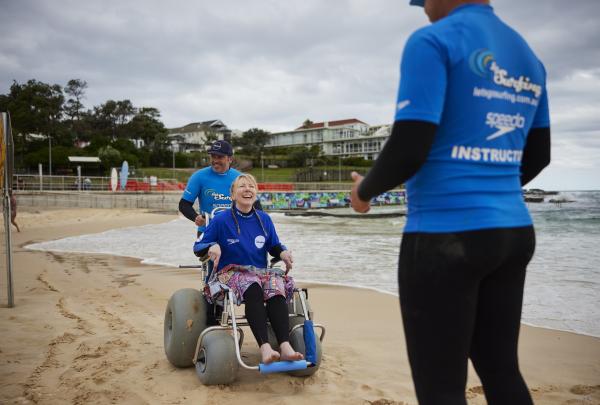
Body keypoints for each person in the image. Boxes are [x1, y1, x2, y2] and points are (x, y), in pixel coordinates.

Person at [351, 1, 550, 404]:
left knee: (440, 387)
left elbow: (409, 145)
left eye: (423, 1)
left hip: (445, 238)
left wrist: (363, 192)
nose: (424, 10)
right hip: (513, 233)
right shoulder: (527, 52)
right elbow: (540, 154)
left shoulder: (433, 40)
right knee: (501, 369)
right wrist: (491, 189)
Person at [193, 173, 303, 365]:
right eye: (242, 186)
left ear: (256, 193)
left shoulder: (264, 219)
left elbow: (274, 245)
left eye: (251, 186)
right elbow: (198, 247)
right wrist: (212, 246)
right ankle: (265, 349)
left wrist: (283, 253)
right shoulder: (221, 220)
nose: (247, 189)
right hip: (230, 272)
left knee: (277, 289)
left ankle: (285, 346)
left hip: (260, 272)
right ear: (233, 195)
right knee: (253, 289)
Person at [179, 140, 241, 236]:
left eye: (220, 157)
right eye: (213, 156)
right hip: (207, 231)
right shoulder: (199, 176)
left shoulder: (240, 178)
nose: (215, 160)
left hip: (235, 232)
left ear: (230, 159)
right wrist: (196, 217)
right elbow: (184, 204)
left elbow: (255, 205)